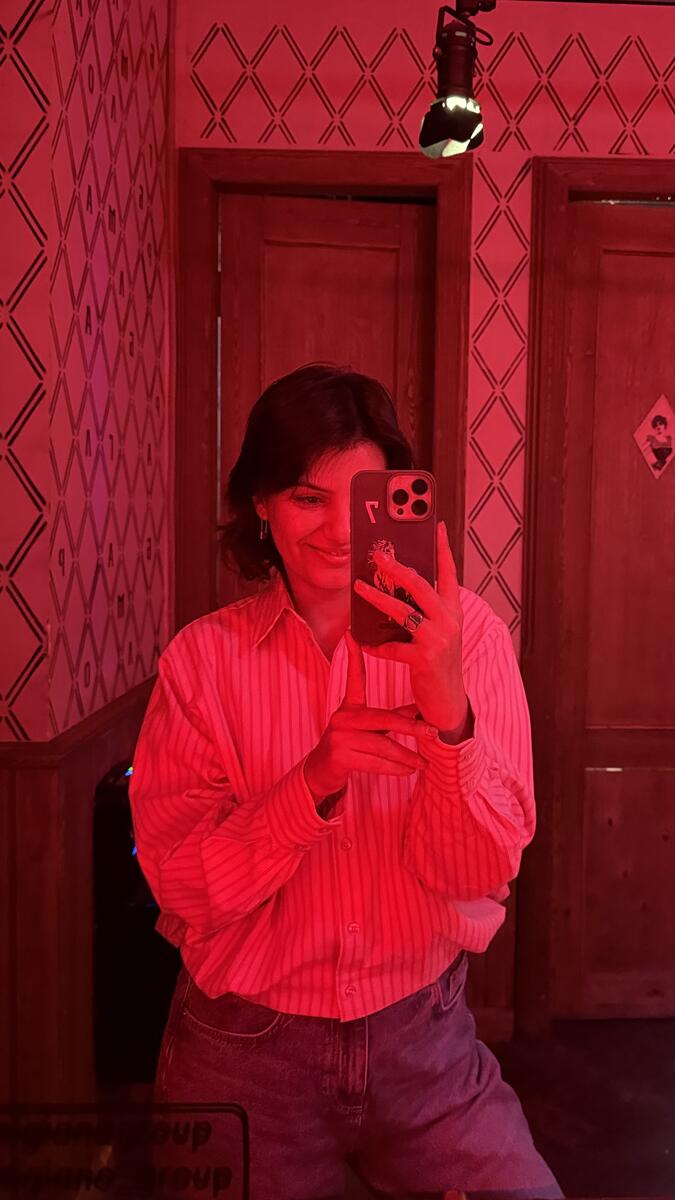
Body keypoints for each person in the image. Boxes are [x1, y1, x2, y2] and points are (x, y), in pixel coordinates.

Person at [129, 364, 563, 1200]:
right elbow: (181, 885)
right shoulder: (201, 664)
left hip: (425, 1045)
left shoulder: (466, 637)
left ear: (395, 501)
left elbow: (481, 868)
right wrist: (311, 784)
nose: (335, 530)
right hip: (245, 1055)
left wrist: (447, 712)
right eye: (305, 497)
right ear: (260, 503)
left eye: (359, 500)